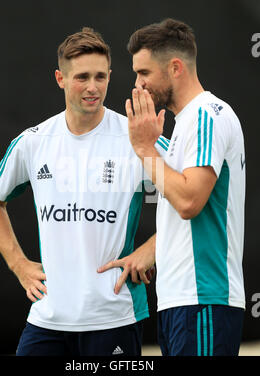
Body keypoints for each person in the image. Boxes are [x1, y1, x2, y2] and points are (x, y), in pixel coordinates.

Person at [0, 27, 168, 356]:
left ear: (110, 76)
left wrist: (152, 248)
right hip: (47, 317)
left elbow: (193, 198)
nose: (92, 87)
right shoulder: (33, 142)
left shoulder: (135, 138)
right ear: (60, 78)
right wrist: (18, 264)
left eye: (100, 76)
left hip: (114, 316)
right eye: (81, 77)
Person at [98, 18, 246, 356]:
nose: (138, 85)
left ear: (175, 67)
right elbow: (191, 210)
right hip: (180, 302)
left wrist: (147, 150)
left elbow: (190, 201)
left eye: (144, 73)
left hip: (205, 301)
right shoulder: (185, 125)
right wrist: (149, 252)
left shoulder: (206, 115)